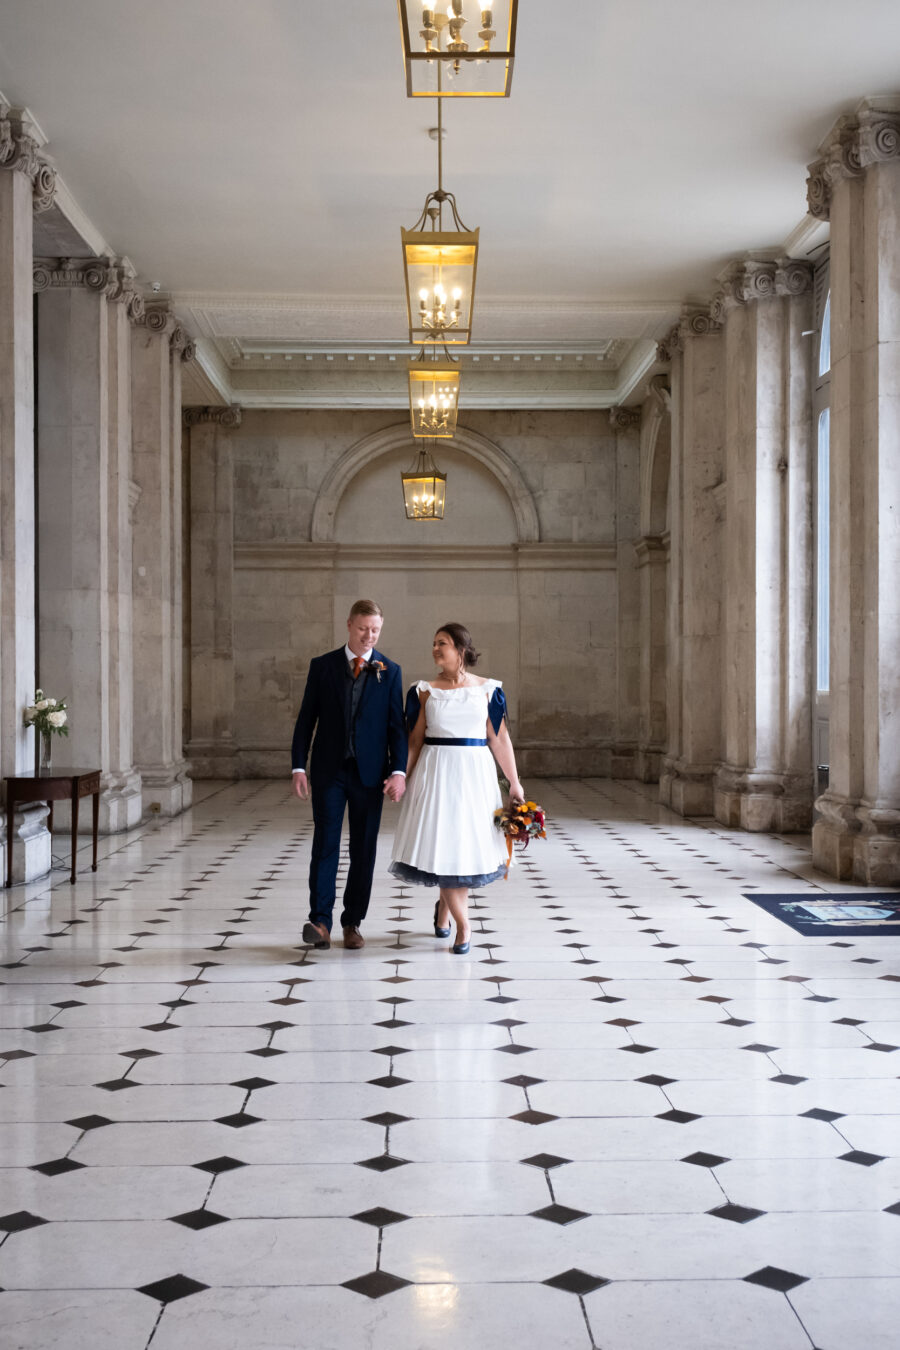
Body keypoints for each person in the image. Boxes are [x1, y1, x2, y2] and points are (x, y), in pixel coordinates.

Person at [389, 623, 524, 954]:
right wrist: (401, 776)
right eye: (433, 643)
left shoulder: (489, 690)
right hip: (436, 775)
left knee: (462, 849)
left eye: (443, 644)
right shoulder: (424, 691)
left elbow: (499, 739)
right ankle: (465, 926)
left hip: (475, 776)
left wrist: (515, 783)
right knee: (444, 845)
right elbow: (415, 740)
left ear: (461, 650)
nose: (436, 649)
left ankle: (445, 910)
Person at [291, 600, 407, 950]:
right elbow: (305, 719)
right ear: (349, 625)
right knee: (325, 844)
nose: (368, 636)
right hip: (329, 771)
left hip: (370, 775)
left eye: (375, 630)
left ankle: (352, 922)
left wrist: (398, 771)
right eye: (362, 628)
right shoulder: (322, 666)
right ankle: (320, 921)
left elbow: (396, 729)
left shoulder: (391, 670)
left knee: (364, 849)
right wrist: (299, 766)